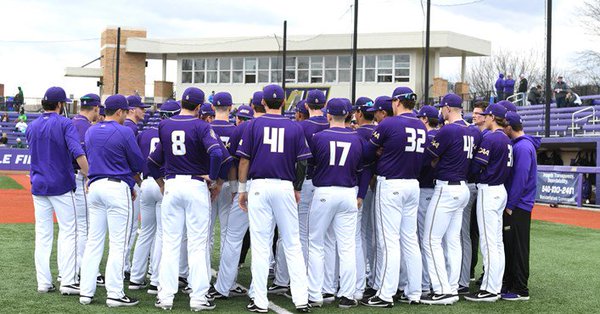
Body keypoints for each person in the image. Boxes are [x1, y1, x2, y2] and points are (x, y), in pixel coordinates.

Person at [237, 84, 311, 313]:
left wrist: (242, 189)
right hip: (285, 186)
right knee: (293, 243)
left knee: (261, 246)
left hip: (259, 185)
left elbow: (244, 160)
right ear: (284, 103)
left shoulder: (252, 125)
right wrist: (297, 188)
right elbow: (303, 162)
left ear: (264, 103)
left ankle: (259, 300)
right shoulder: (294, 126)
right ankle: (301, 298)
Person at [148, 87, 224, 311]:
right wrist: (212, 177)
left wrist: (161, 183)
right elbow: (217, 153)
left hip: (172, 184)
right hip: (194, 185)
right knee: (197, 245)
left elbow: (153, 161)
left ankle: (165, 297)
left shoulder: (164, 124)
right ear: (200, 107)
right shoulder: (202, 125)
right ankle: (199, 298)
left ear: (181, 102)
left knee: (171, 244)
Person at [362, 87, 426, 308]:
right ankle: (415, 292)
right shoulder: (420, 124)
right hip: (413, 184)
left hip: (391, 183)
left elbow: (368, 152)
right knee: (409, 240)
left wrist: (382, 151)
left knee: (388, 241)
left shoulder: (389, 123)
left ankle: (385, 293)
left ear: (397, 102)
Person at [79, 94, 144, 307]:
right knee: (118, 244)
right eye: (125, 112)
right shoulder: (124, 131)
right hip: (116, 187)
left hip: (95, 186)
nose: (126, 115)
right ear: (119, 112)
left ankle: (86, 292)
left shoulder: (90, 130)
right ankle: (115, 293)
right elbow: (137, 162)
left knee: (93, 242)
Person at [27, 86, 88, 295]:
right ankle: (68, 280)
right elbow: (77, 152)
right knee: (69, 231)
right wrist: (91, 175)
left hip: (39, 185)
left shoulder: (32, 125)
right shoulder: (65, 123)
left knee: (43, 235)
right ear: (60, 104)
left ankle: (43, 282)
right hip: (61, 185)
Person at [307, 98, 367, 309]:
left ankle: (316, 293)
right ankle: (348, 294)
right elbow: (361, 169)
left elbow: (310, 166)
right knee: (347, 246)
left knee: (316, 243)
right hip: (348, 192)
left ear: (328, 115)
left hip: (324, 191)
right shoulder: (358, 138)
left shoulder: (318, 137)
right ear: (349, 115)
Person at [420, 93, 472, 305]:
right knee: (452, 241)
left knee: (430, 240)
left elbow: (429, 157)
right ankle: (451, 286)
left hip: (447, 188)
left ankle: (443, 290)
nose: (441, 111)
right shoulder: (471, 130)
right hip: (462, 187)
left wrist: (437, 163)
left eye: (443, 108)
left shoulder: (448, 129)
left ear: (449, 108)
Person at [129, 100, 181, 294]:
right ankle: (155, 279)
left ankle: (135, 277)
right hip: (163, 182)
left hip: (145, 182)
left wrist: (140, 181)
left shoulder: (144, 133)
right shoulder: (171, 131)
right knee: (161, 233)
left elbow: (134, 159)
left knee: (146, 232)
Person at [465, 103, 512, 302]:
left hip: (489, 189)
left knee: (489, 242)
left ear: (492, 117)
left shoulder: (492, 138)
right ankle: (494, 285)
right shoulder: (506, 139)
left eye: (487, 115)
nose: (485, 117)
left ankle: (490, 290)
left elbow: (477, 166)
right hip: (500, 190)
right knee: (496, 243)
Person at [211, 104, 255, 300]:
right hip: (276, 186)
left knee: (229, 237)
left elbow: (232, 160)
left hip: (240, 184)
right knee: (267, 241)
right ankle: (263, 289)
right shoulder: (290, 128)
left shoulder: (239, 129)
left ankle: (222, 285)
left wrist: (237, 188)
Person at [501, 112, 539, 301]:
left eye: (504, 126)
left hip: (519, 206)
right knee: (512, 246)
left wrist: (510, 204)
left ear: (509, 127)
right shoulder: (522, 145)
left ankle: (520, 289)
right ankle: (511, 283)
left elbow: (520, 178)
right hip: (519, 204)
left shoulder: (523, 147)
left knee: (518, 247)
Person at [71, 93, 101, 284]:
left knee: (74, 228)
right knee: (85, 228)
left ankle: (71, 269)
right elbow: (80, 155)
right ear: (96, 108)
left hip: (68, 177)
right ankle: (85, 271)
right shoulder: (83, 125)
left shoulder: (71, 121)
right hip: (80, 178)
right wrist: (90, 176)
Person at [122, 95, 150, 278]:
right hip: (128, 181)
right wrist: (138, 181)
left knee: (128, 227)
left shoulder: (128, 127)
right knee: (130, 227)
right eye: (141, 108)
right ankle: (124, 266)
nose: (144, 111)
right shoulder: (130, 128)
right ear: (131, 109)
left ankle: (124, 264)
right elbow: (131, 159)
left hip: (122, 181)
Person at [413, 105, 439, 297]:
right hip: (438, 190)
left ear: (424, 120)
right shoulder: (442, 136)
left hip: (424, 190)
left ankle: (424, 284)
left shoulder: (427, 138)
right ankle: (437, 282)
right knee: (439, 240)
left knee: (423, 240)